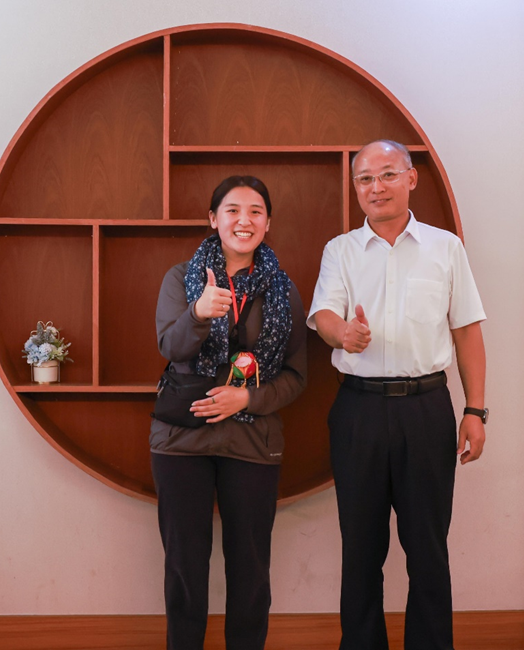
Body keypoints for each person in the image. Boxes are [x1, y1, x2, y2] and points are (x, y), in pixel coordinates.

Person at [308, 140, 487, 650]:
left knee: (428, 548)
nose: (376, 187)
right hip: (358, 410)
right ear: (355, 188)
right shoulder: (341, 250)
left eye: (387, 174)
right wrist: (343, 333)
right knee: (361, 550)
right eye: (365, 178)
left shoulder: (445, 248)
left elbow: (467, 331)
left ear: (410, 178)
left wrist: (475, 410)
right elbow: (324, 315)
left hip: (426, 409)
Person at [150, 175, 307, 650]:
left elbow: (296, 376)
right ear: (213, 219)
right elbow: (170, 347)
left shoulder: (284, 289)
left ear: (268, 223)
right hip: (182, 440)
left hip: (252, 440)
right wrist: (198, 313)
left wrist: (247, 399)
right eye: (232, 210)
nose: (244, 220)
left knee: (251, 570)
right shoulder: (181, 278)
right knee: (184, 567)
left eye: (255, 211)